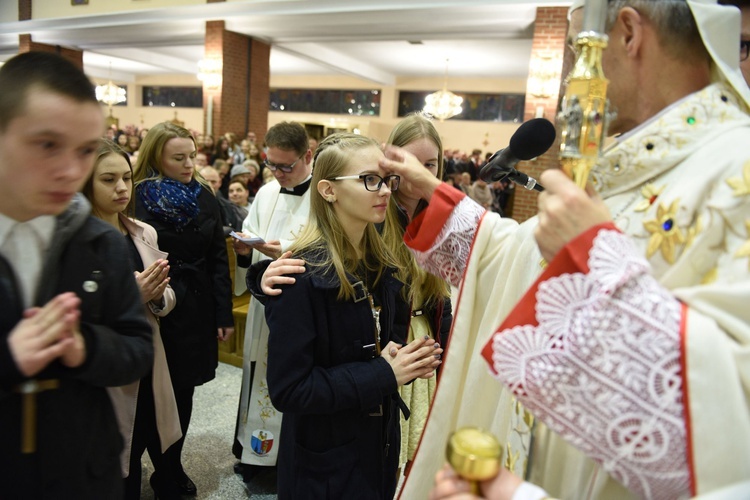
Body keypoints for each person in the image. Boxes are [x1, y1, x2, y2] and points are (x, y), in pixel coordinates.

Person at [381, 1, 750, 499]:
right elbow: (525, 258)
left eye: (579, 50)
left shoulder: (736, 172)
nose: (570, 79)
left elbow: (729, 421)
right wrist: (433, 191)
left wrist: (594, 259)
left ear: (627, 33)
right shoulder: (634, 168)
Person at [0, 51, 153, 498]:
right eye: (47, 144)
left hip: (83, 469)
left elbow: (137, 348)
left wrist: (84, 345)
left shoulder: (100, 241)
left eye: (85, 150)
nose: (71, 171)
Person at [264, 132, 442, 499]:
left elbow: (382, 342)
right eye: (369, 180)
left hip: (377, 442)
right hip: (325, 458)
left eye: (386, 179)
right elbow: (290, 389)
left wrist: (404, 361)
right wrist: (382, 373)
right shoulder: (299, 275)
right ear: (328, 190)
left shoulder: (384, 266)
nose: (386, 191)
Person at [133, 122, 234, 499]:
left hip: (198, 307)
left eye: (192, 155)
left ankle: (170, 467)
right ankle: (147, 466)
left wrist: (223, 315)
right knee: (153, 393)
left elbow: (216, 260)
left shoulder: (204, 195)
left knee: (185, 391)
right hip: (158, 306)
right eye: (179, 157)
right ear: (156, 156)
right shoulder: (138, 196)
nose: (189, 164)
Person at [81, 139, 182, 499]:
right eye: (108, 179)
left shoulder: (142, 231)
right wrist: (129, 298)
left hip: (146, 359)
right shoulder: (74, 240)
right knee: (110, 460)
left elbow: (167, 296)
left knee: (139, 444)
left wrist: (156, 298)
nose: (122, 188)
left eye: (126, 177)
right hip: (102, 368)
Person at [231, 121, 314, 481]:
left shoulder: (324, 197)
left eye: (286, 166)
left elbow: (325, 248)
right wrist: (244, 248)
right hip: (263, 306)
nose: (278, 173)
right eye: (272, 165)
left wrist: (277, 249)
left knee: (290, 378)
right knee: (257, 372)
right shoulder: (266, 192)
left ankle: (285, 461)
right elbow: (252, 234)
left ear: (308, 156)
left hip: (301, 311)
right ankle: (254, 454)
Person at [199, 166, 246, 234]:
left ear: (219, 183)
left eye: (213, 182)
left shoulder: (229, 207)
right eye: (205, 181)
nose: (209, 185)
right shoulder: (188, 205)